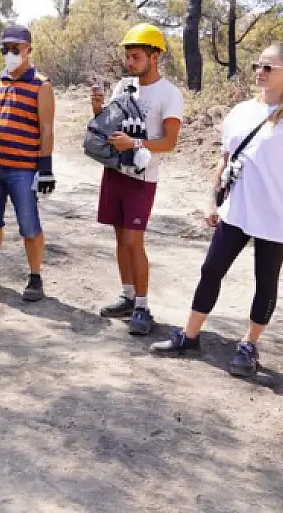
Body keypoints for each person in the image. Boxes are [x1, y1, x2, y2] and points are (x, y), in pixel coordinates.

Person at [152, 43, 283, 376]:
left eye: (269, 67)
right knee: (211, 270)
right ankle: (190, 335)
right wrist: (213, 199)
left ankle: (249, 344)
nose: (260, 72)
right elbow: (225, 158)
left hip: (276, 214)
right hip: (236, 209)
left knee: (265, 281)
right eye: (258, 65)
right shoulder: (241, 111)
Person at [93, 23, 184, 335]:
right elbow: (111, 124)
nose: (129, 63)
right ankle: (128, 296)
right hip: (115, 171)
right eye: (128, 57)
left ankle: (144, 307)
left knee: (134, 240)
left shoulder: (170, 94)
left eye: (135, 57)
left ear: (154, 55)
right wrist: (98, 111)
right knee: (120, 238)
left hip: (142, 178)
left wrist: (135, 144)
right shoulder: (124, 86)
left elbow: (170, 142)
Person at [0, 24, 56, 301]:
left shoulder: (41, 85)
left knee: (29, 225)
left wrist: (46, 168)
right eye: (6, 48)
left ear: (29, 50)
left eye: (16, 48)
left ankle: (35, 278)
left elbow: (47, 129)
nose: (11, 53)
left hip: (23, 169)